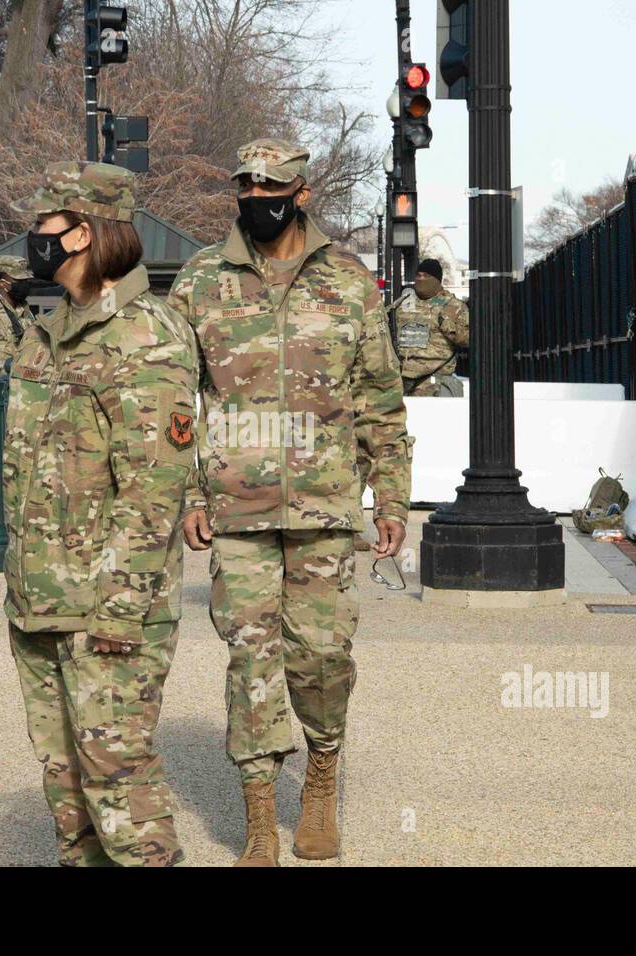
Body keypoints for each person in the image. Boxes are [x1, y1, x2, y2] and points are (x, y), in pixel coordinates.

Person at [168, 138, 412, 866]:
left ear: (302, 193)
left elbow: (379, 396)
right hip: (236, 511)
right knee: (251, 659)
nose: (257, 199)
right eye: (246, 187)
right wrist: (188, 490)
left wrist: (391, 495)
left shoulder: (347, 279)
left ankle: (322, 776)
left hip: (325, 507)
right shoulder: (201, 279)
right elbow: (176, 398)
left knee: (323, 657)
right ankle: (258, 820)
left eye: (272, 188)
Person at [3, 161, 195, 867]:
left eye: (44, 228)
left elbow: (153, 491)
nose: (33, 241)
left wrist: (119, 610)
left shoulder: (147, 335)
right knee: (68, 793)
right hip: (41, 601)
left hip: (107, 611)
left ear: (82, 233)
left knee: (121, 790)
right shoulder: (47, 330)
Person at [396, 258, 469, 397]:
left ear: (437, 279)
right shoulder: (404, 303)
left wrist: (447, 323)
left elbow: (466, 340)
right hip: (403, 382)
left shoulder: (452, 306)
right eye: (418, 275)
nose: (421, 279)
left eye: (427, 276)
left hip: (435, 381)